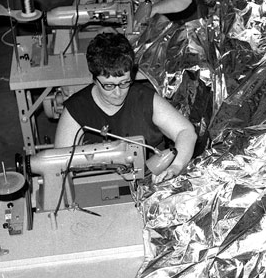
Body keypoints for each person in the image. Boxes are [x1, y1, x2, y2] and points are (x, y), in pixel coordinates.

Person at [54, 32, 197, 181]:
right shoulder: (76, 109)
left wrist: (175, 167)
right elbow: (59, 166)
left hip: (151, 180)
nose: (118, 92)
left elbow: (186, 131)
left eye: (124, 83)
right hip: (98, 184)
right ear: (94, 79)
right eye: (108, 85)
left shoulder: (144, 99)